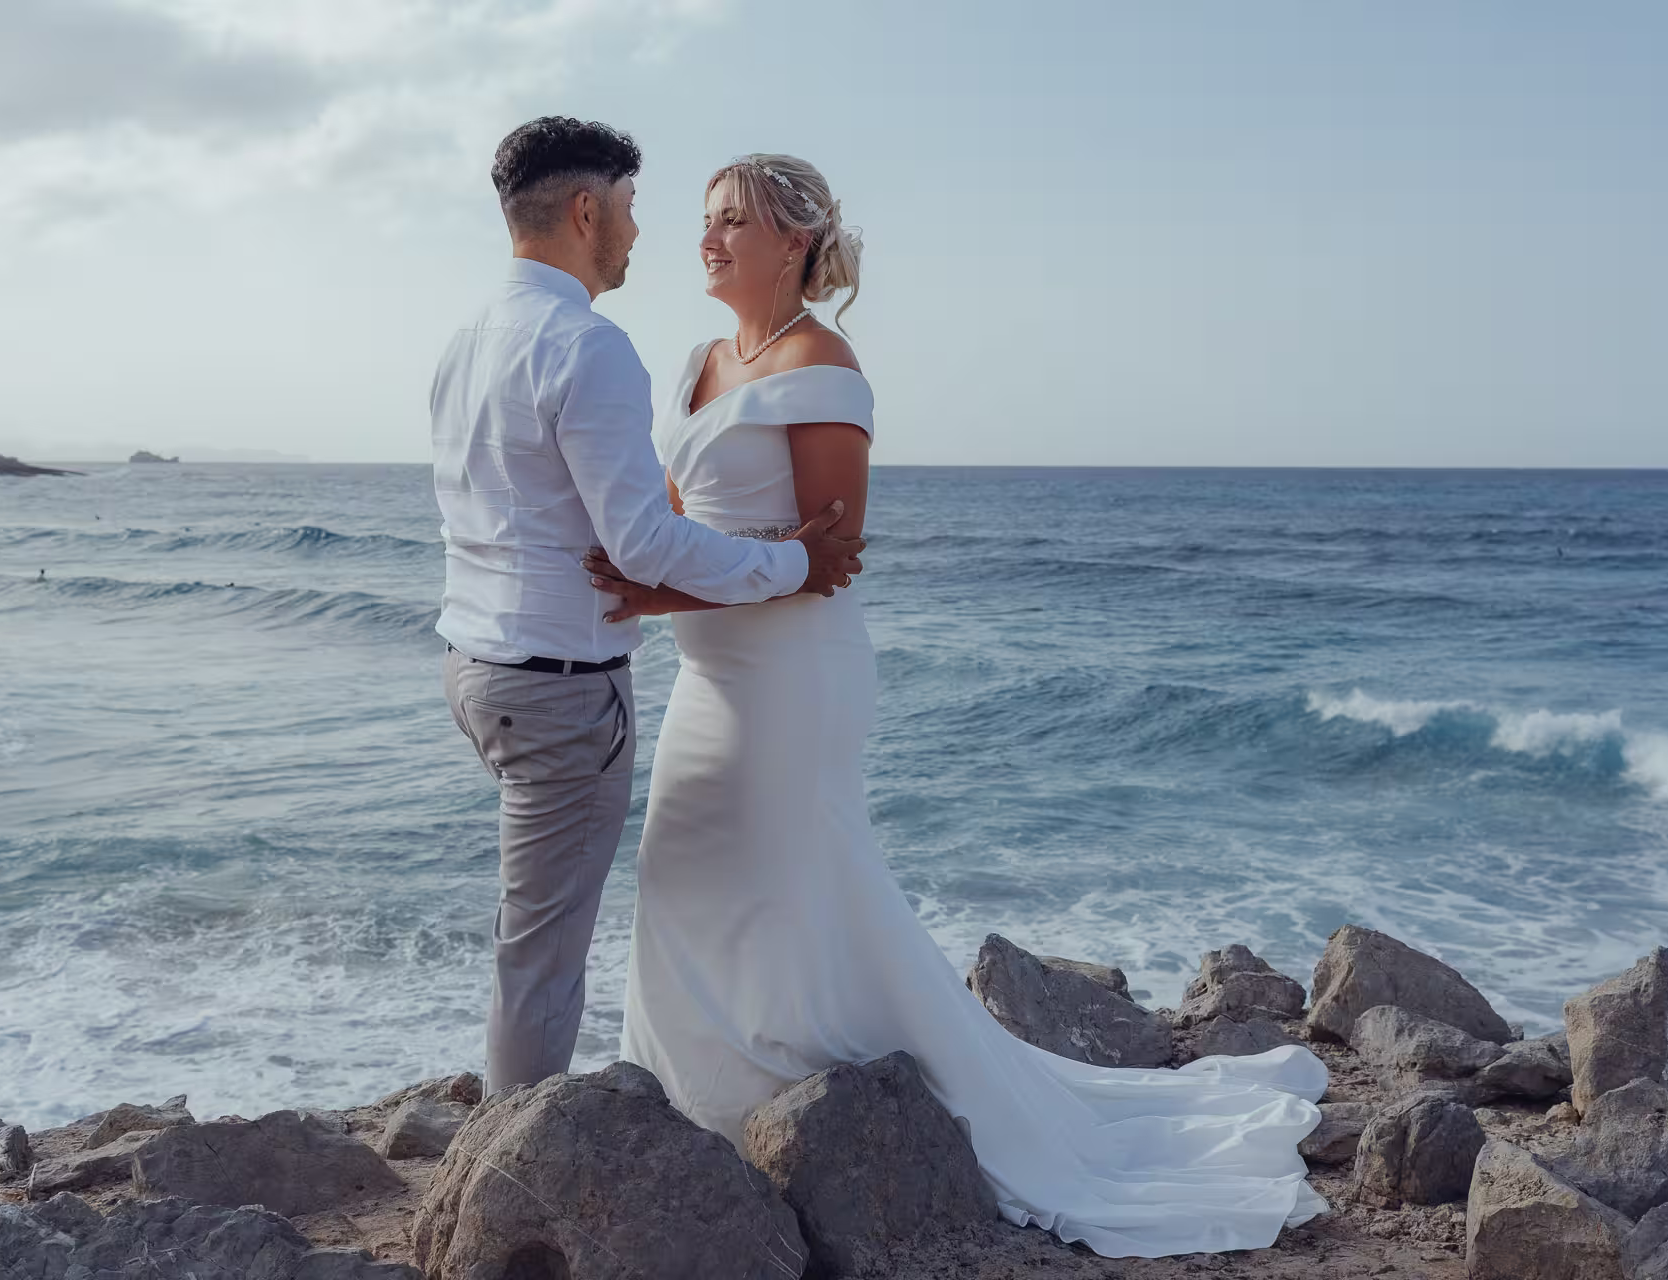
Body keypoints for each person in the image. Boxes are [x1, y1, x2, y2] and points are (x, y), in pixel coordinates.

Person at [584, 153, 1330, 1260]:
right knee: (685, 874)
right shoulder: (693, 363)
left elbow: (830, 556)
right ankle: (718, 1104)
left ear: (793, 240)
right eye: (703, 221)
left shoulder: (822, 362)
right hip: (709, 675)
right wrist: (642, 577)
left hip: (794, 676)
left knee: (796, 877)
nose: (707, 238)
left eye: (731, 220)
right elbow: (692, 522)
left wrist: (639, 593)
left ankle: (845, 1105)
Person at [431, 119, 866, 1095]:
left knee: (591, 920)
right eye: (632, 209)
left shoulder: (467, 340)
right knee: (541, 951)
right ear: (587, 209)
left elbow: (588, 521)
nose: (647, 232)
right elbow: (644, 543)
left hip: (478, 663)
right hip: (560, 683)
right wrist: (789, 566)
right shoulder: (589, 345)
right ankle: (522, 1160)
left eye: (723, 221)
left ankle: (707, 1086)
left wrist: (703, 573)